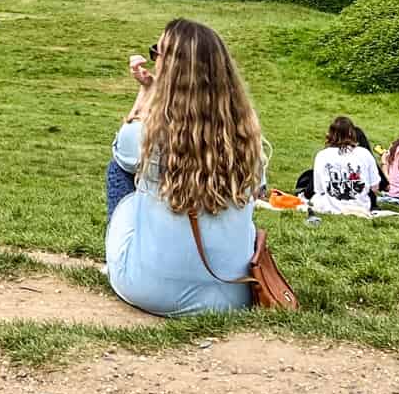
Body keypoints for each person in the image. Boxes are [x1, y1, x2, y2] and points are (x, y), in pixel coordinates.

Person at [105, 19, 272, 317]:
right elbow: (259, 190)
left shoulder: (146, 135)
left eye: (158, 53)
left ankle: (134, 258)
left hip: (149, 290)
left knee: (119, 168)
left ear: (171, 68)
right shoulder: (249, 139)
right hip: (231, 294)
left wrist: (146, 95)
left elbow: (122, 152)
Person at [310, 115, 380, 217]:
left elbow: (319, 189)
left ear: (330, 134)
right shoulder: (364, 153)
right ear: (352, 133)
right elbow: (374, 187)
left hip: (332, 208)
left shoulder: (322, 155)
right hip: (361, 207)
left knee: (315, 199)